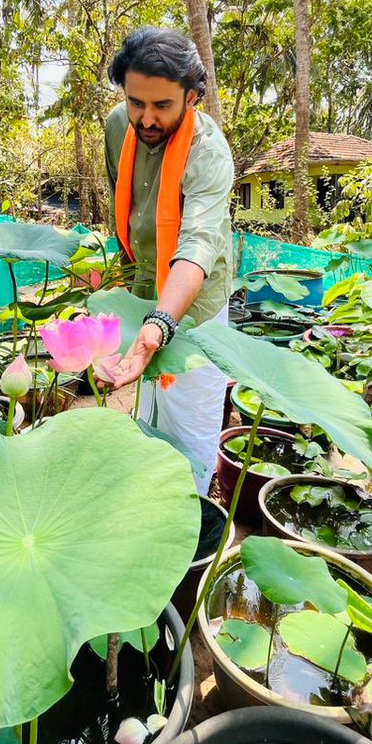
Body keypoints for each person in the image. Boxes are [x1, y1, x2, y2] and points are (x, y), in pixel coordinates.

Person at [103, 26, 234, 494]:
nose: (147, 118)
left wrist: (157, 326)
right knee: (149, 404)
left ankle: (189, 509)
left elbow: (198, 245)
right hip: (142, 284)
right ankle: (151, 501)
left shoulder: (210, 153)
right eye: (137, 102)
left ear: (192, 96)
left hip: (195, 305)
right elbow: (128, 208)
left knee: (191, 412)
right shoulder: (119, 125)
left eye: (163, 105)